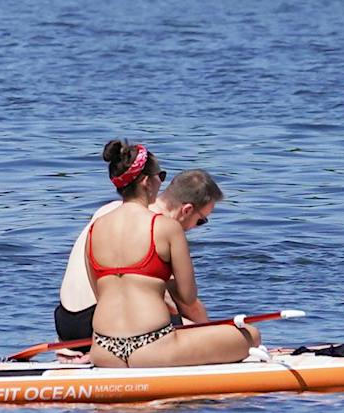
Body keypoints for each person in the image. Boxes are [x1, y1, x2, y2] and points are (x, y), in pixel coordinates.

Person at [85, 139, 258, 368]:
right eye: (161, 176)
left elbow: (100, 293)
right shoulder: (166, 227)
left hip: (103, 350)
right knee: (251, 335)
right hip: (151, 347)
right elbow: (188, 296)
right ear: (146, 182)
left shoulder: (95, 228)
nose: (162, 183)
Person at [55, 164, 224, 342]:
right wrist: (207, 329)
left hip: (66, 321)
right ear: (187, 210)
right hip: (100, 324)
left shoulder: (112, 209)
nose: (196, 228)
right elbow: (185, 302)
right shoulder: (159, 227)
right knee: (215, 336)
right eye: (201, 221)